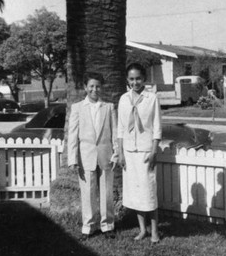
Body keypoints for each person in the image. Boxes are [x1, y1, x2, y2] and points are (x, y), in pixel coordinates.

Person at [67, 72, 118, 241]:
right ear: (85, 88)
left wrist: (116, 153)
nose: (94, 89)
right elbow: (73, 134)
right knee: (87, 192)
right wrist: (73, 158)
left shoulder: (108, 107)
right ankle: (88, 226)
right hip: (85, 156)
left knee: (106, 192)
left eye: (97, 86)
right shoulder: (77, 107)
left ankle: (107, 225)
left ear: (101, 87)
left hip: (106, 155)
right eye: (91, 86)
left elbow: (115, 133)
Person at [117, 63, 162, 243]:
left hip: (145, 151)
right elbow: (120, 128)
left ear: (144, 79)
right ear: (127, 80)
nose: (135, 82)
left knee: (148, 193)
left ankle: (155, 232)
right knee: (135, 194)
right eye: (131, 79)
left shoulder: (151, 98)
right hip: (129, 152)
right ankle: (143, 230)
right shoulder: (123, 99)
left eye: (138, 79)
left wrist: (153, 151)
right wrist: (120, 152)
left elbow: (157, 126)